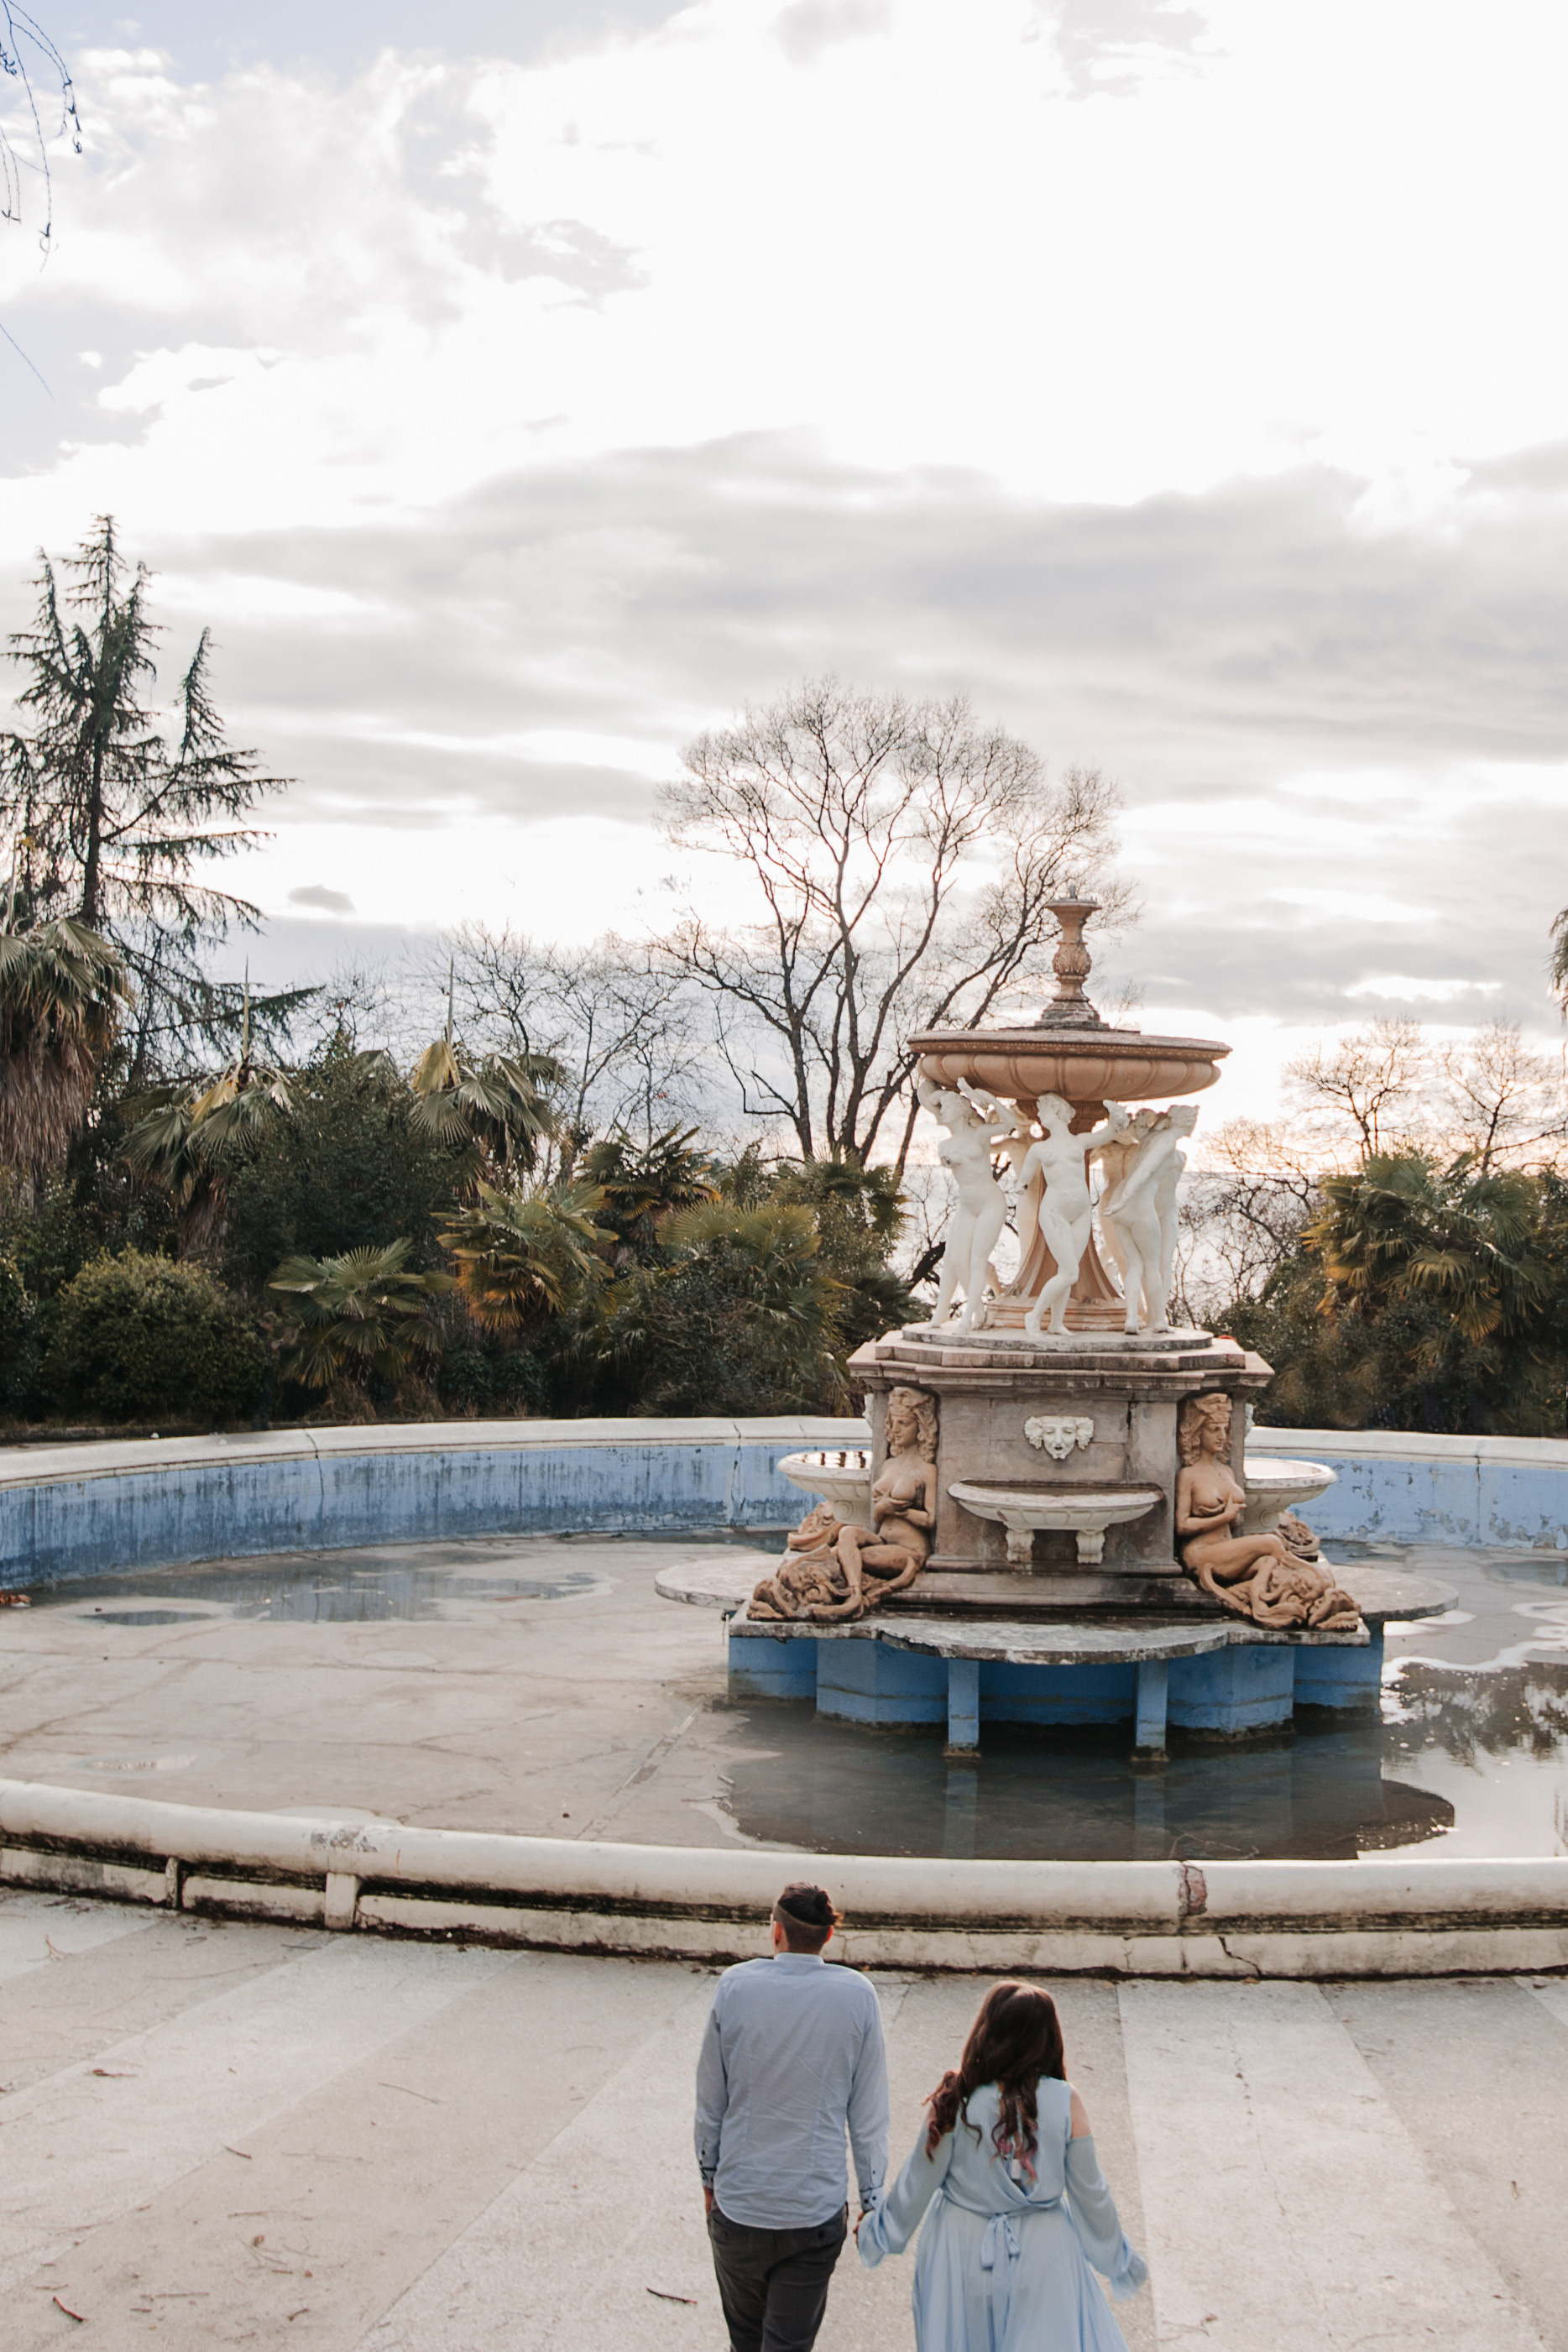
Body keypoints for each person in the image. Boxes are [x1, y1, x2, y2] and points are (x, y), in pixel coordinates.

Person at [857, 1980, 1147, 2350]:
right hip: (1045, 2254)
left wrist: (877, 2232)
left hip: (960, 2252)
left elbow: (915, 2186)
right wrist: (1117, 2260)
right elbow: (1092, 2195)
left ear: (987, 2030)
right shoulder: (1063, 2101)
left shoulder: (955, 2098)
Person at [695, 1882, 889, 2352]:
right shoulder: (857, 1996)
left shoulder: (735, 1987)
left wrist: (709, 2181)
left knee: (745, 2340)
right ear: (826, 1938)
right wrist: (871, 2197)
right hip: (813, 2214)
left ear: (776, 1932)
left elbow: (710, 2104)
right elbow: (868, 2116)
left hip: (740, 2208)